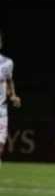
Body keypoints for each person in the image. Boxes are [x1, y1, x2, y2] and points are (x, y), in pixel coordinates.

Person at [0, 30, 22, 165]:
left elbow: (9, 81)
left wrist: (13, 95)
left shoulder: (7, 63)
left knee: (1, 143)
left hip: (1, 109)